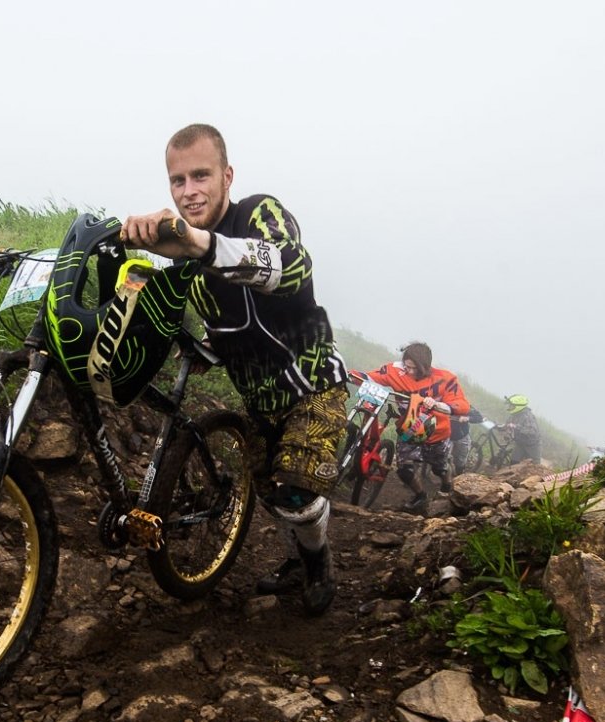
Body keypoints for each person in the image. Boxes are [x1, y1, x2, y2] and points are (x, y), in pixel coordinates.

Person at [121, 124, 348, 616]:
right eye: (177, 181)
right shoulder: (188, 259)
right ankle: (300, 552)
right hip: (258, 399)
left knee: (298, 494)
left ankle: (317, 562)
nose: (189, 190)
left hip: (313, 384)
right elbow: (225, 320)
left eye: (201, 175)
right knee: (270, 494)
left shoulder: (258, 213)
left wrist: (200, 245)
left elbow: (289, 267)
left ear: (226, 175)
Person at [362, 342, 470, 514]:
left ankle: (446, 482)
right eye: (407, 366)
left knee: (439, 467)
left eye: (415, 369)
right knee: (404, 468)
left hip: (436, 432)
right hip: (409, 430)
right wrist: (346, 373)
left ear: (426, 366)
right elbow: (370, 376)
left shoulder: (445, 378)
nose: (410, 371)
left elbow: (462, 404)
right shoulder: (395, 371)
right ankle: (420, 496)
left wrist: (439, 404)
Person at [504, 394, 541, 464]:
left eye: (511, 406)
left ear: (518, 407)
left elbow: (532, 431)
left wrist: (516, 427)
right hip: (520, 443)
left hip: (532, 445)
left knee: (534, 466)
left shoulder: (527, 416)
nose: (509, 407)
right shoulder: (514, 415)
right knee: (513, 462)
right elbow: (507, 424)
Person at [450, 406, 485, 475]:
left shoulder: (465, 405)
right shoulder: (444, 401)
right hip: (446, 436)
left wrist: (468, 418)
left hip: (462, 437)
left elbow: (479, 417)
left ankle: (458, 476)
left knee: (460, 461)